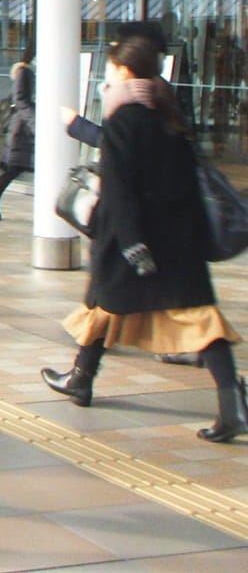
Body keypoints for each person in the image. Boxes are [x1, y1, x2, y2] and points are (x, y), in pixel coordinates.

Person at [41, 35, 248, 443]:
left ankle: (82, 379)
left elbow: (119, 190)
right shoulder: (170, 117)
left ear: (124, 71)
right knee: (196, 319)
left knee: (105, 303)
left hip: (133, 240)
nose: (108, 76)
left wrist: (133, 245)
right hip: (178, 240)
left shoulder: (124, 120)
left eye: (113, 69)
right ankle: (233, 403)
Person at [0, 45, 35, 220]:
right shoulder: (24, 71)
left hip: (26, 128)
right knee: (14, 168)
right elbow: (20, 100)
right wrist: (35, 122)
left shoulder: (32, 70)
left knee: (16, 167)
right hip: (23, 129)